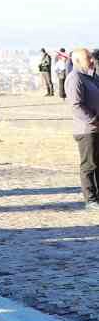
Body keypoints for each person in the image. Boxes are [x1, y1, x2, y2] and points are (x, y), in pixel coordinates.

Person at [66, 49, 99, 206]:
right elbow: (76, 106)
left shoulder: (91, 77)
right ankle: (90, 199)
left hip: (96, 128)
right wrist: (94, 120)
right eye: (88, 59)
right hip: (87, 130)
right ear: (77, 61)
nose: (92, 61)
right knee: (89, 165)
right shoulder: (75, 79)